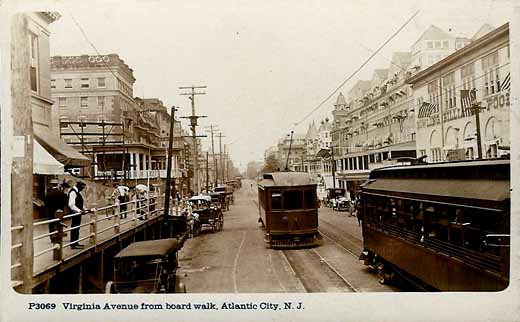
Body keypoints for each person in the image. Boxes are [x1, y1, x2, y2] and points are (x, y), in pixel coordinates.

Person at [68, 181, 89, 249]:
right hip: (75, 213)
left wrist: (85, 209)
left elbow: (79, 203)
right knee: (75, 227)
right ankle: (73, 244)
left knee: (76, 227)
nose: (82, 189)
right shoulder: (73, 192)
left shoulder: (76, 192)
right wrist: (79, 211)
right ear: (79, 186)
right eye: (82, 188)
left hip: (77, 213)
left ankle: (75, 242)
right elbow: (71, 204)